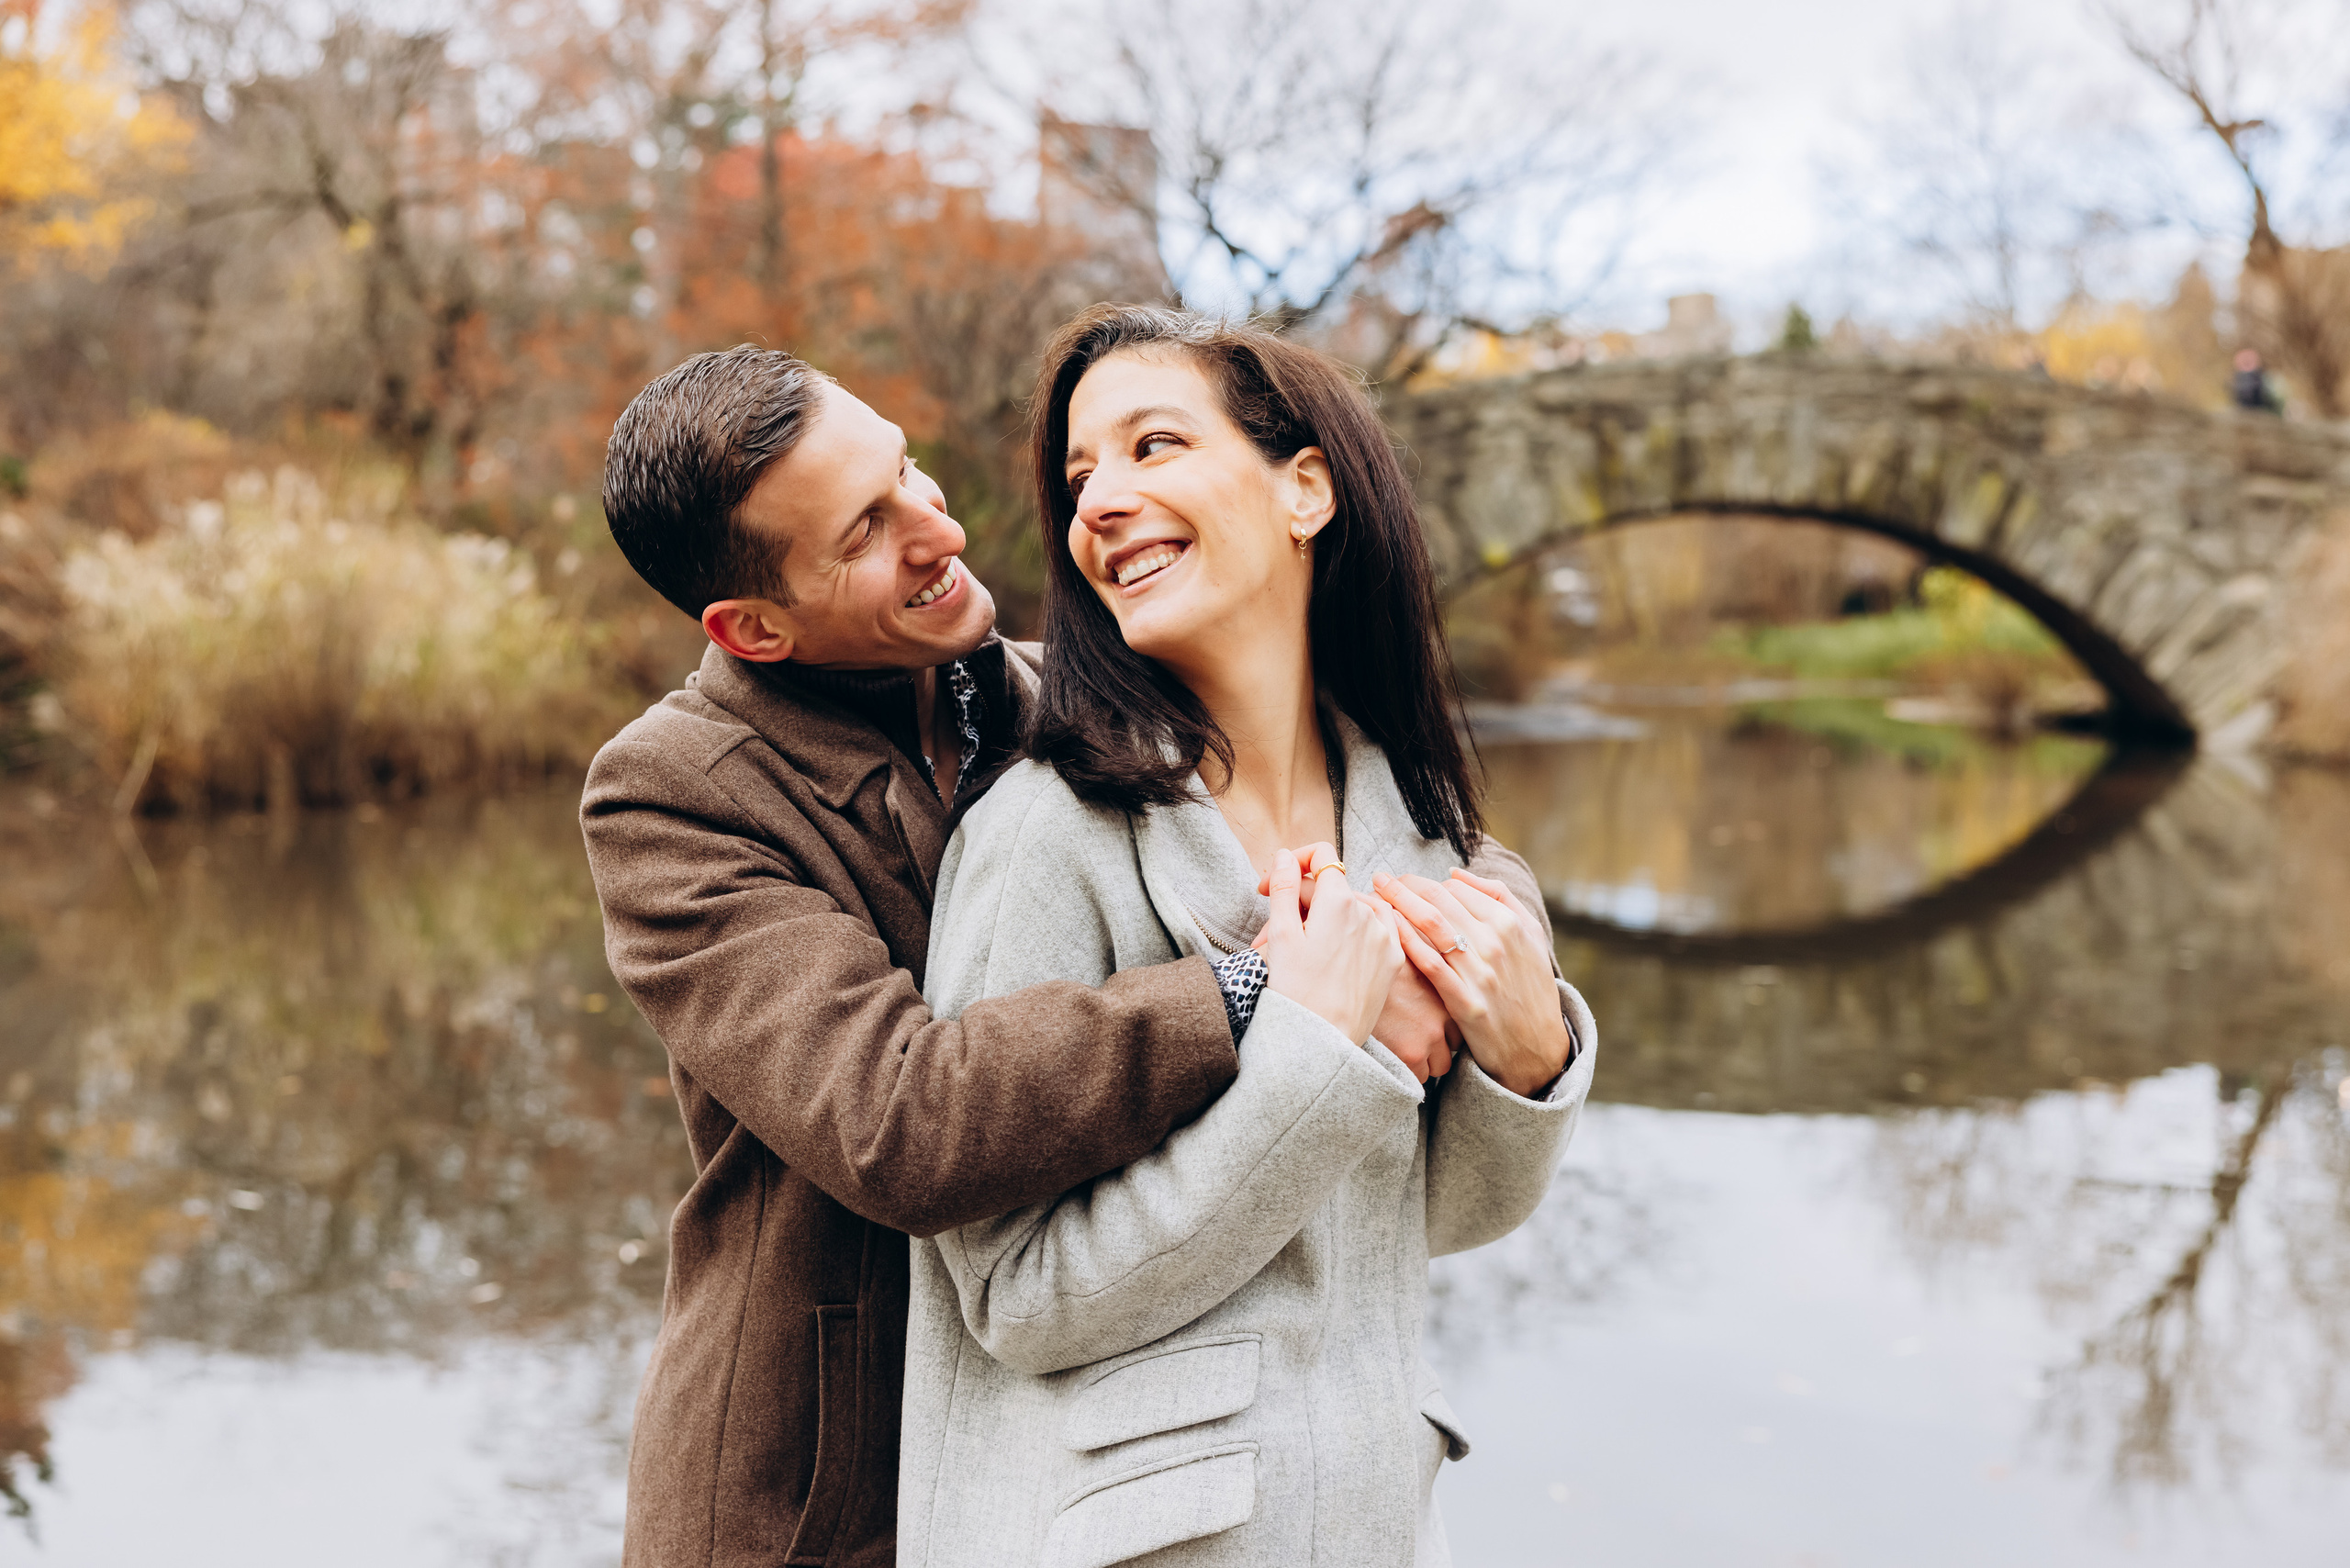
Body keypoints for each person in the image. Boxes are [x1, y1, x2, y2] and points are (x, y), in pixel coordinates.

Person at [583, 345, 1505, 1566]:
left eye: (905, 469)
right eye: (865, 530)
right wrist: (1260, 993)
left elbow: (1410, 823)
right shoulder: (668, 798)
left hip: (1066, 1456)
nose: (938, 526)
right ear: (751, 626)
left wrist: (1487, 953)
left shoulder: (1051, 705)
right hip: (821, 1493)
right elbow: (895, 1119)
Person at [901, 306, 1597, 1567]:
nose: (1101, 500)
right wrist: (1314, 1056)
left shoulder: (1425, 826)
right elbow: (1014, 1297)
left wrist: (1530, 1061)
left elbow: (1430, 1215)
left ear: (1307, 490)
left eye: (1152, 446)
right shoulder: (1046, 834)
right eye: (1079, 475)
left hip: (1375, 1521)